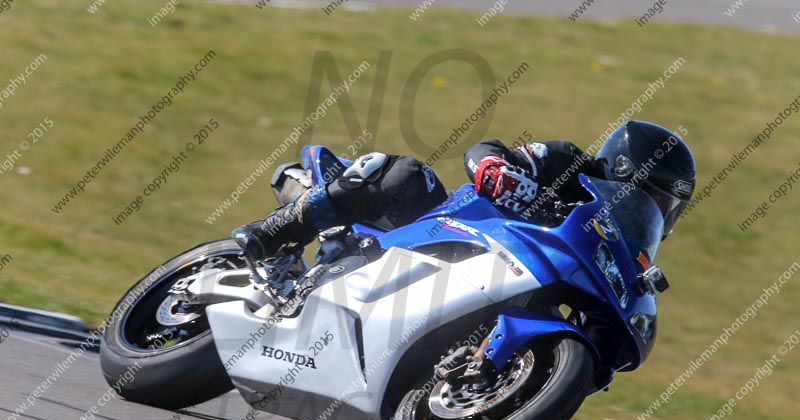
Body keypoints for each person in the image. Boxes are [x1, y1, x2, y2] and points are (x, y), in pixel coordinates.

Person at [231, 121, 695, 262]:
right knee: (403, 173)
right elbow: (484, 149)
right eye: (653, 197)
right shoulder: (568, 162)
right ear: (623, 171)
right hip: (444, 227)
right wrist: (497, 168)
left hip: (501, 272)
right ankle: (274, 230)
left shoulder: (622, 249)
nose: (656, 211)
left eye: (665, 207)